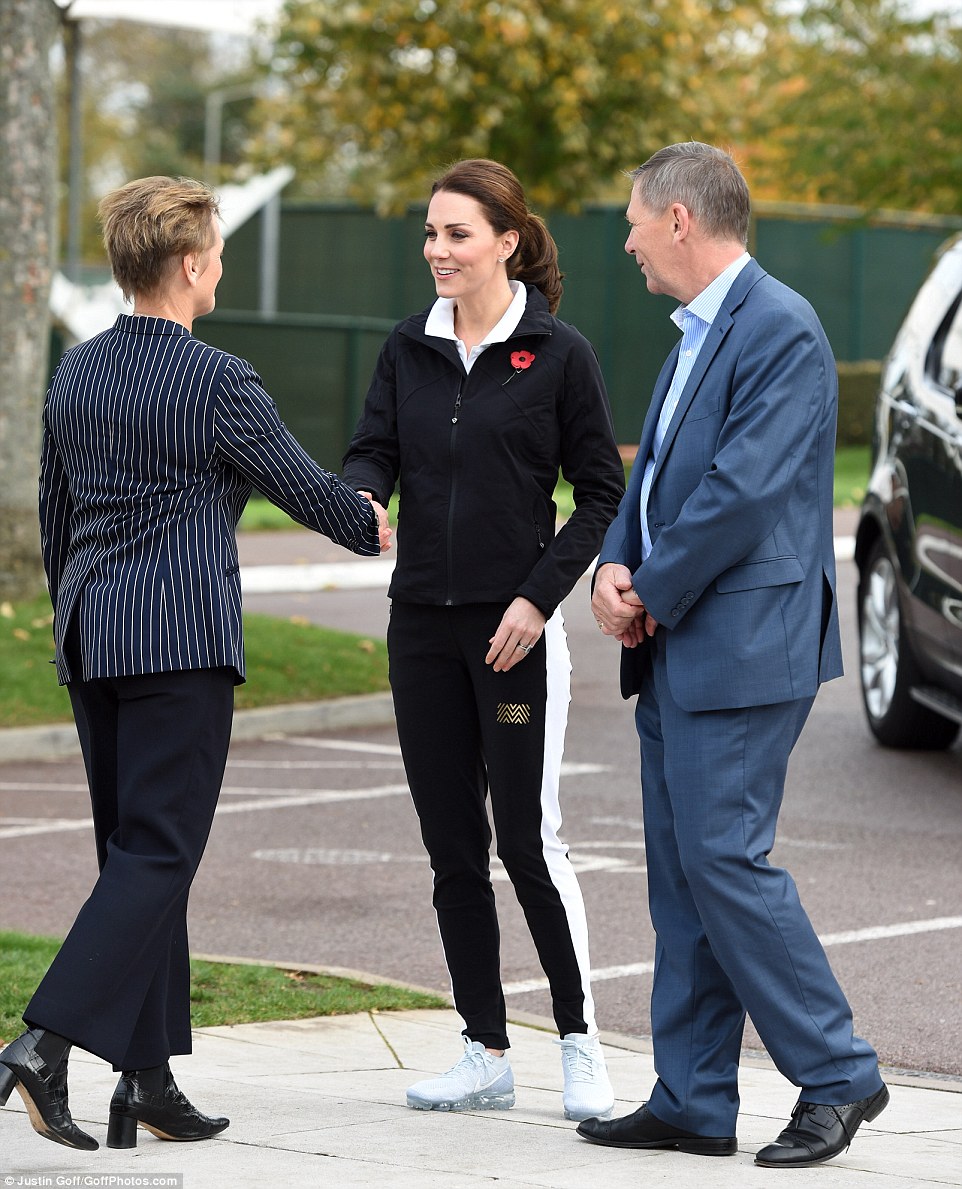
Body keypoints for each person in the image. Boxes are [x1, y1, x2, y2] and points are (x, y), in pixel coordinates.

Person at [0, 175, 391, 1152]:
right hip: (178, 643)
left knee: (133, 858)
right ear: (187, 264)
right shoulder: (219, 379)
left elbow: (54, 516)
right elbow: (308, 491)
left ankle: (148, 1078)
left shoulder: (75, 372)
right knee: (159, 854)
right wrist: (369, 518)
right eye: (214, 250)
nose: (217, 264)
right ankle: (41, 1047)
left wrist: (72, 619)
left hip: (93, 637)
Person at [578, 142, 887, 1168]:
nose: (623, 238)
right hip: (676, 637)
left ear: (678, 220)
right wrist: (614, 566)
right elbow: (655, 471)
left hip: (740, 644)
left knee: (722, 860)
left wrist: (649, 594)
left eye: (632, 219)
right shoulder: (694, 334)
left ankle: (838, 1074)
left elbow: (741, 493)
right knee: (681, 875)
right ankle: (694, 1096)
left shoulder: (778, 330)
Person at [342, 159, 624, 1121]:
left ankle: (582, 1043)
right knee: (452, 845)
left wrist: (540, 600)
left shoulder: (557, 354)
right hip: (419, 625)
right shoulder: (407, 345)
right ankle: (483, 1048)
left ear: (507, 240)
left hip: (514, 636)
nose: (437, 250)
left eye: (456, 234)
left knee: (527, 840)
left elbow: (599, 495)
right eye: (430, 234)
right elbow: (372, 445)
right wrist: (365, 494)